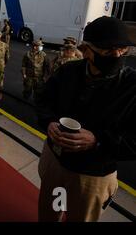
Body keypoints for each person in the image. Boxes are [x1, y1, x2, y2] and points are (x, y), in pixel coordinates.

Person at [36, 16, 136, 222]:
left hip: (92, 177)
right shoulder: (67, 71)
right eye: (108, 51)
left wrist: (98, 141)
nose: (117, 55)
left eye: (123, 50)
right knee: (50, 213)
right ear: (86, 50)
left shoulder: (132, 87)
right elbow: (43, 101)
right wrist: (49, 123)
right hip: (56, 164)